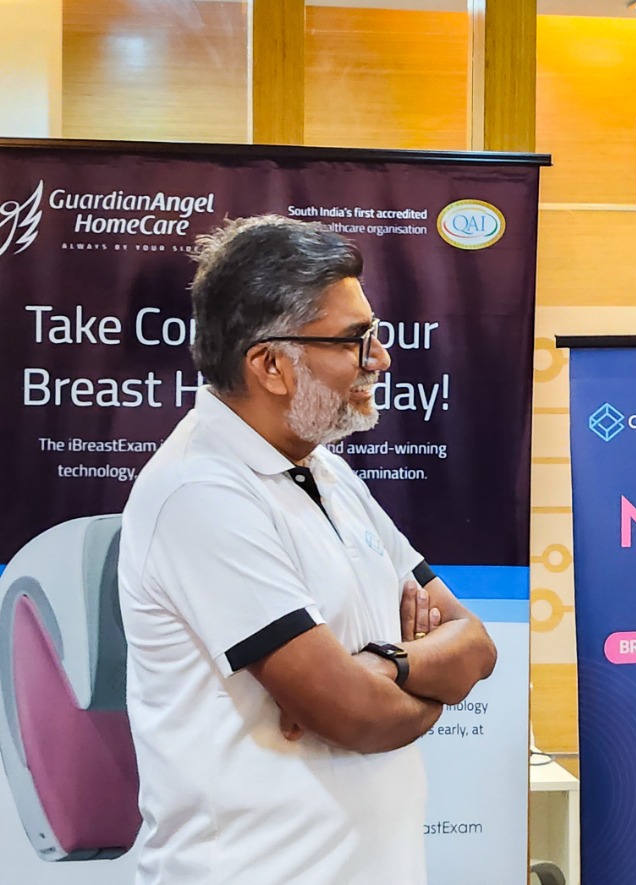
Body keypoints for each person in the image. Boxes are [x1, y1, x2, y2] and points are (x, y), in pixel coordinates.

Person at [119, 216, 498, 885]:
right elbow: (355, 715)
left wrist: (381, 665)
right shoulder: (198, 491)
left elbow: (475, 646)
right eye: (355, 340)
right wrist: (417, 679)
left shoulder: (329, 473)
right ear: (270, 365)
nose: (380, 359)